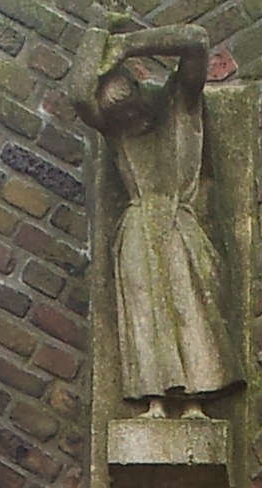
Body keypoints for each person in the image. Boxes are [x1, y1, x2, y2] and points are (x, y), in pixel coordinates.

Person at [79, 25, 238, 404]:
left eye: (127, 103)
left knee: (190, 306)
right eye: (115, 111)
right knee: (143, 315)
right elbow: (79, 98)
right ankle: (152, 402)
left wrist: (127, 45)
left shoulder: (180, 103)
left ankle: (198, 402)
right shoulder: (117, 134)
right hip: (137, 224)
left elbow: (197, 41)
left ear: (137, 89)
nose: (125, 114)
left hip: (178, 221)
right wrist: (98, 28)